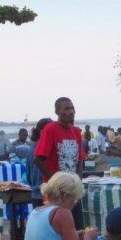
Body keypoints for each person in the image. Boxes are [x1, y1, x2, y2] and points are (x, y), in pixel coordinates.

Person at [34, 97, 86, 229]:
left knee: (77, 228)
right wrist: (55, 181)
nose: (71, 112)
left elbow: (80, 160)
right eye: (66, 109)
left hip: (72, 191)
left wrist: (78, 182)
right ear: (57, 112)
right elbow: (38, 159)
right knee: (58, 230)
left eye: (72, 108)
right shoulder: (50, 129)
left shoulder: (76, 132)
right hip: (56, 193)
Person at [26, 118, 51, 208]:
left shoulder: (32, 149)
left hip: (37, 193)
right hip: (45, 195)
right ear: (40, 131)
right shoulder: (39, 149)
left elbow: (28, 175)